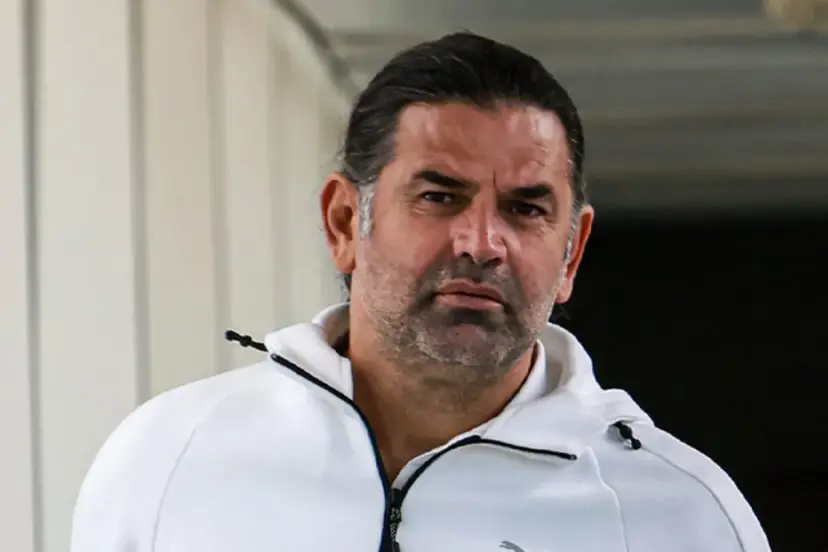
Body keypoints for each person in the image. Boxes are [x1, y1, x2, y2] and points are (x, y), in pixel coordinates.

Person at [71, 32, 769, 552]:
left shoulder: (679, 518)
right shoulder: (171, 458)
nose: (481, 242)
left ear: (571, 254)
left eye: (525, 208)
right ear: (344, 222)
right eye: (439, 196)